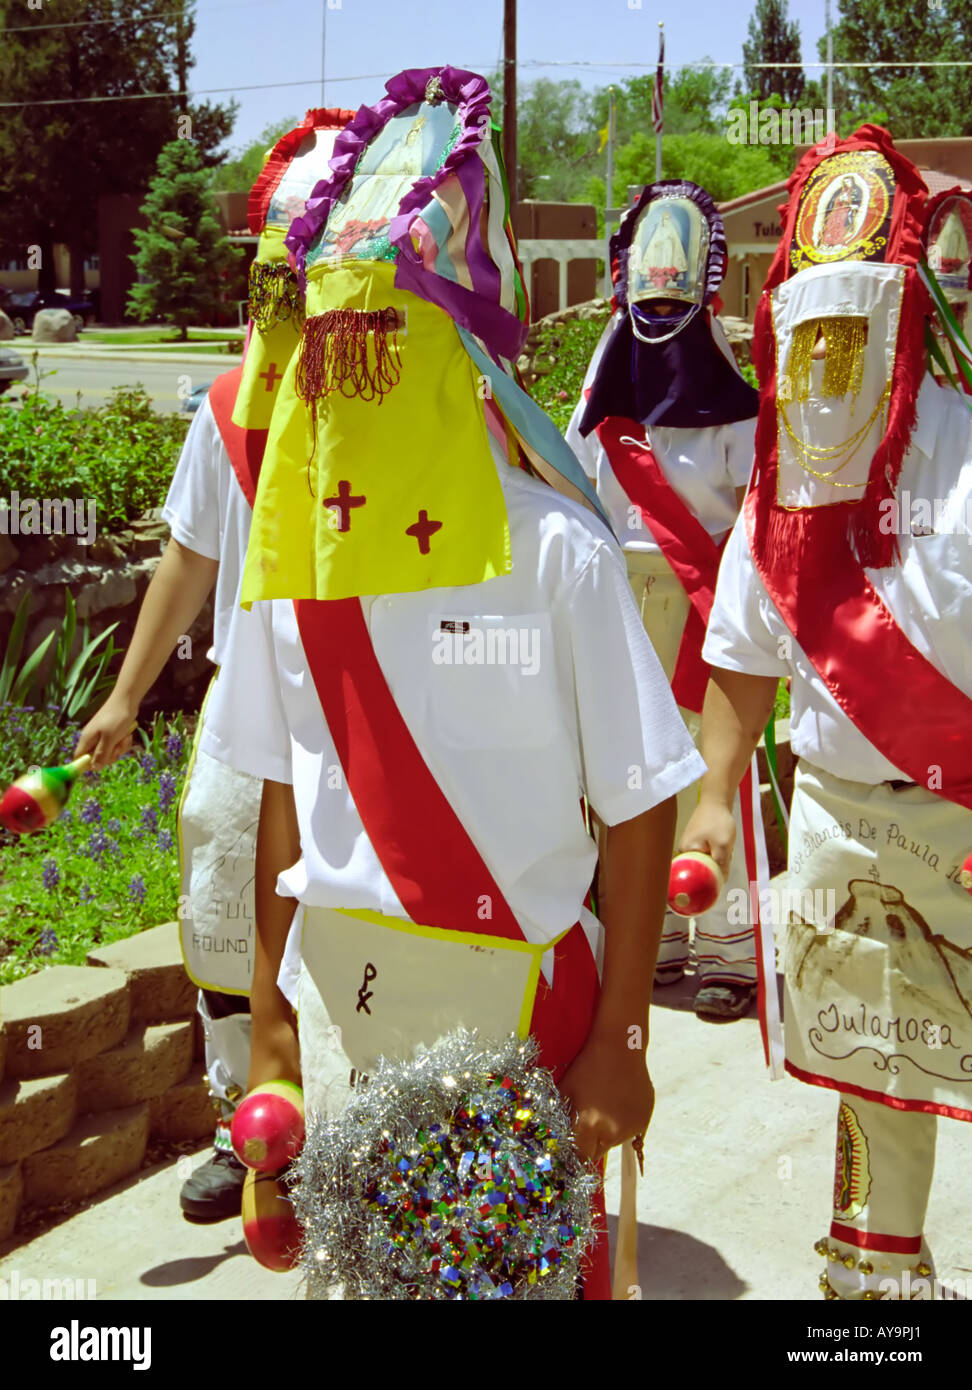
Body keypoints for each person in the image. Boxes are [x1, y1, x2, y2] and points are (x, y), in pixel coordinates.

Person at [204, 65, 706, 1299]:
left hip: (527, 1020)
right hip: (344, 1013)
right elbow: (280, 788)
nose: (340, 378)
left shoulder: (555, 553)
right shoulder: (295, 563)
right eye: (324, 343)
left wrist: (624, 1039)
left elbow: (639, 800)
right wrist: (271, 1028)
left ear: (457, 347)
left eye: (379, 340)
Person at [679, 127, 972, 1300]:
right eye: (808, 330)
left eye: (849, 328)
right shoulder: (784, 487)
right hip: (846, 823)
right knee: (873, 1080)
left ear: (902, 317)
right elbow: (743, 652)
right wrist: (711, 797)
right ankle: (876, 1302)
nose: (823, 357)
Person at [76, 107, 354, 1222]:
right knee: (221, 895)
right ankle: (246, 1123)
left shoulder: (389, 401)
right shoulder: (229, 407)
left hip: (360, 713)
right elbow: (187, 561)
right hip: (252, 703)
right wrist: (125, 693)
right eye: (273, 269)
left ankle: (338, 1126)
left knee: (345, 924)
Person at [565, 180, 774, 1029]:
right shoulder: (604, 398)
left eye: (672, 304)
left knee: (716, 768)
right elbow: (573, 480)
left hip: (708, 599)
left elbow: (755, 504)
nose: (656, 323)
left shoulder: (733, 407)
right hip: (622, 600)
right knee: (638, 766)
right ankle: (653, 939)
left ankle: (727, 945)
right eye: (643, 303)